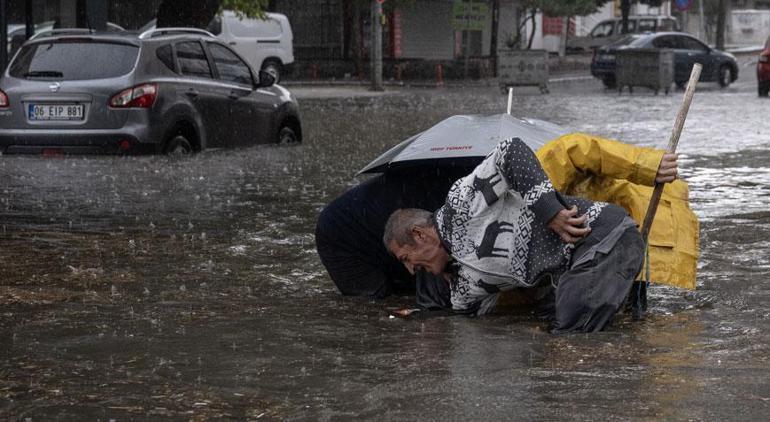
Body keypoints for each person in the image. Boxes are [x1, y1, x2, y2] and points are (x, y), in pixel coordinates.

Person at [384, 136, 679, 333]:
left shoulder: (460, 204)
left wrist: (551, 212)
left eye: (406, 259)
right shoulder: (462, 288)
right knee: (557, 332)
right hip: (577, 270)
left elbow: (510, 149)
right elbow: (459, 320)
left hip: (603, 236)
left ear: (419, 234)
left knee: (566, 341)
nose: (411, 270)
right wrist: (418, 321)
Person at [315, 168, 469, 301]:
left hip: (394, 225)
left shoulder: (467, 188)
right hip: (340, 236)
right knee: (377, 304)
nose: (411, 270)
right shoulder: (452, 194)